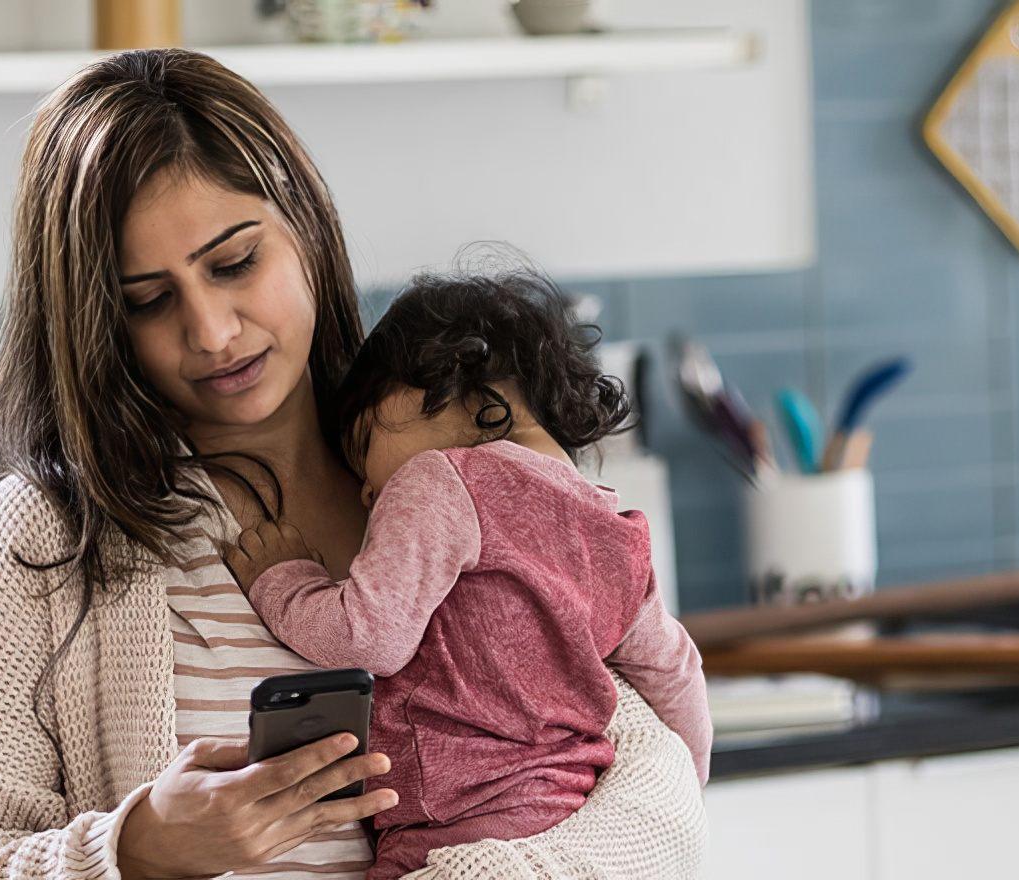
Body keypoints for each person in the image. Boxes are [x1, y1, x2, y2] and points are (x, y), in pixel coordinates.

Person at [0, 48, 702, 880]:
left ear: (306, 230)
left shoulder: (458, 469)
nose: (211, 331)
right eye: (148, 301)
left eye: (235, 263)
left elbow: (653, 782)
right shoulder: (46, 538)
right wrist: (136, 849)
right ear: (100, 324)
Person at [221, 267, 711, 880]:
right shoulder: (618, 533)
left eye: (363, 448)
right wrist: (688, 788)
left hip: (452, 832)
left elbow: (367, 638)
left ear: (472, 393)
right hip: (566, 813)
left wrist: (283, 577)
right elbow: (676, 670)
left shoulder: (441, 480)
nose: (368, 493)